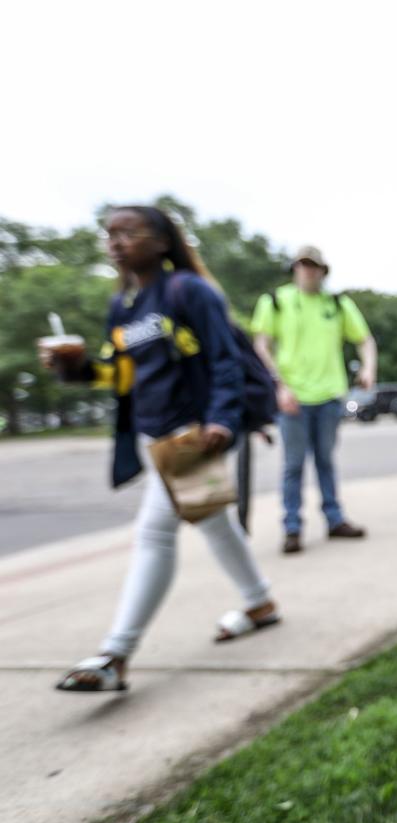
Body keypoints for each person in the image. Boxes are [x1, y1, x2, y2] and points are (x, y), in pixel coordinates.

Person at [45, 206, 280, 693]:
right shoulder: (124, 307)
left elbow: (224, 360)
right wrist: (80, 371)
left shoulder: (188, 292)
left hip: (191, 433)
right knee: (213, 522)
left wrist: (221, 418)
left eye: (128, 232)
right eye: (109, 234)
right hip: (154, 436)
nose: (115, 242)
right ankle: (259, 601)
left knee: (154, 532)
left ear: (162, 241)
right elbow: (122, 373)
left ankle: (116, 653)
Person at [251, 246, 376, 554]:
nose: (307, 270)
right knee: (293, 464)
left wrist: (369, 368)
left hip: (330, 395)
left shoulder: (336, 304)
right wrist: (279, 385)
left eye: (313, 266)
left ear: (323, 270)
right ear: (294, 269)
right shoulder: (277, 302)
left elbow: (365, 339)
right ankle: (291, 527)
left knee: (325, 461)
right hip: (293, 396)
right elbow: (261, 346)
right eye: (301, 265)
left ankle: (334, 519)